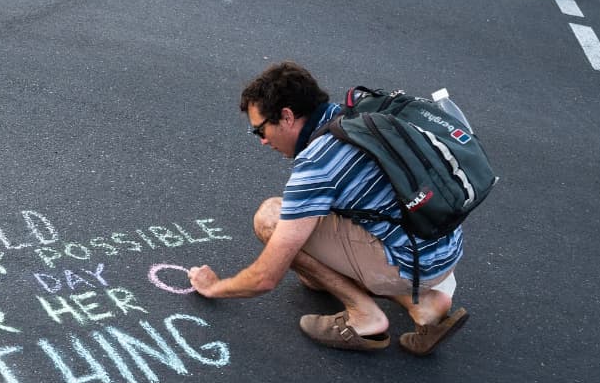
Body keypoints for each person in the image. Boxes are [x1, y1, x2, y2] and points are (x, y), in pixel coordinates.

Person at [188, 61, 468, 355]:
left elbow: (265, 277)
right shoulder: (357, 114)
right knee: (311, 272)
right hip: (443, 245)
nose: (262, 141)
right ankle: (423, 304)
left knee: (270, 218)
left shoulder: (317, 163)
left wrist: (215, 287)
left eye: (260, 130)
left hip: (411, 264)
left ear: (286, 116)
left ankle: (364, 316)